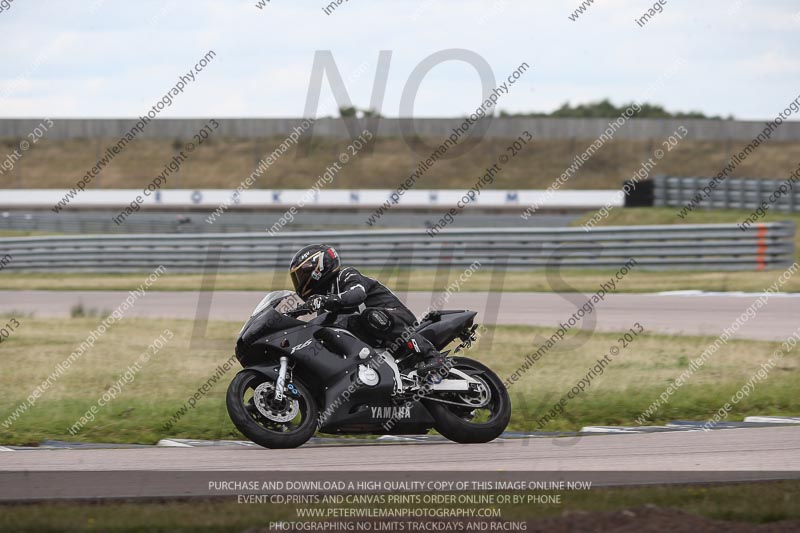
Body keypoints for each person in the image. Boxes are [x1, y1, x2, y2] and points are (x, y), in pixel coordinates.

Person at [288, 244, 445, 375]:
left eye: (301, 275)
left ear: (317, 269)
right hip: (374, 336)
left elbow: (357, 294)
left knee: (370, 316)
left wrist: (328, 300)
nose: (299, 282)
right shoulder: (324, 298)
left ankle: (431, 355)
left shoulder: (346, 275)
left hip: (396, 318)